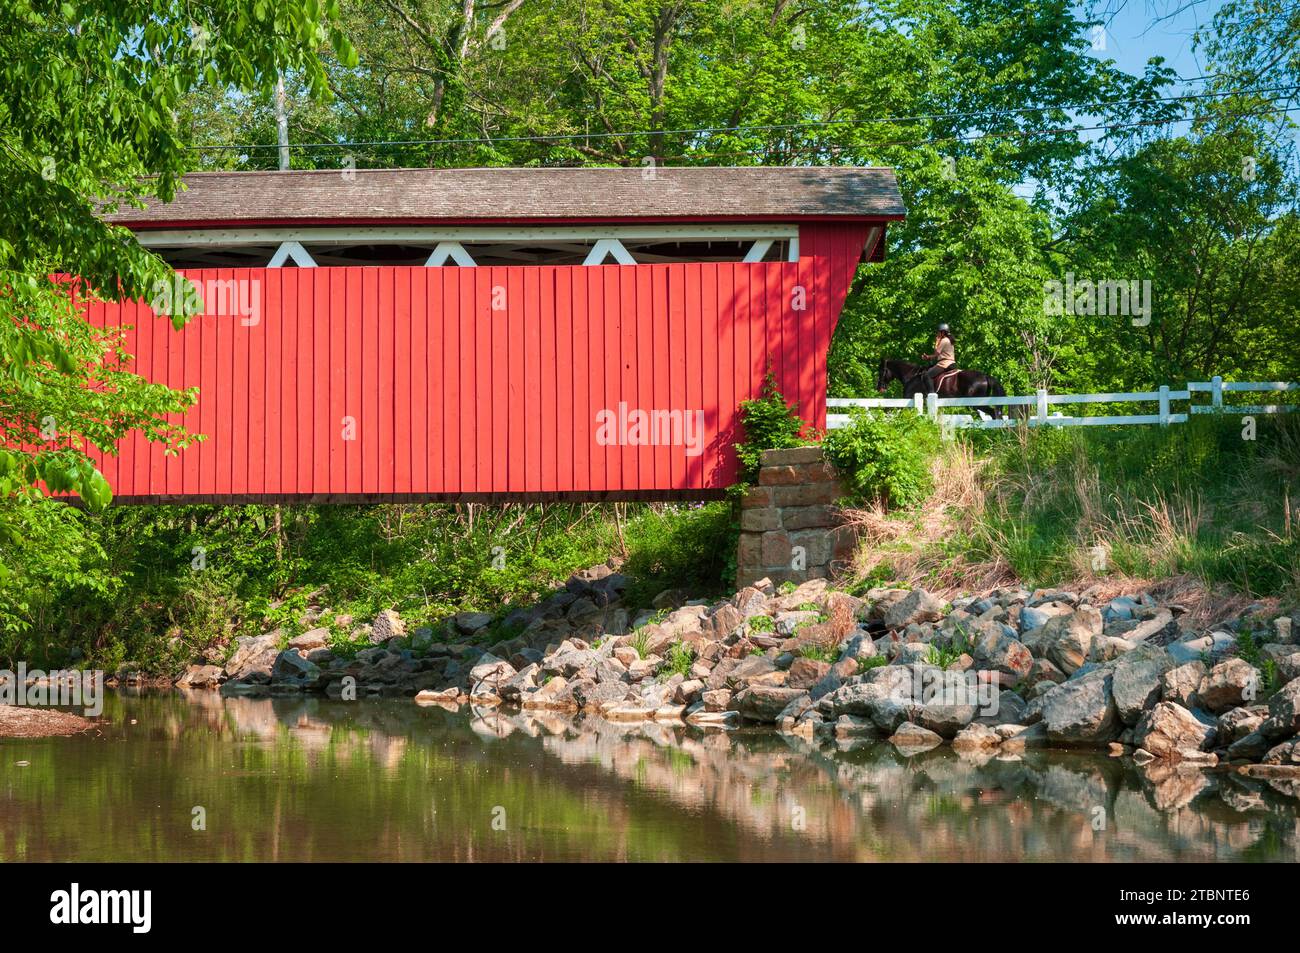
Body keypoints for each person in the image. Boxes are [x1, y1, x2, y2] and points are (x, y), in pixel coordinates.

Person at [920, 323, 956, 392]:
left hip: (944, 363)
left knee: (927, 375)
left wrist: (937, 342)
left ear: (942, 332)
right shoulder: (949, 340)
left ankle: (931, 395)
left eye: (938, 332)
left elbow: (936, 353)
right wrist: (928, 357)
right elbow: (936, 355)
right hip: (951, 363)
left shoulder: (944, 340)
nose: (937, 334)